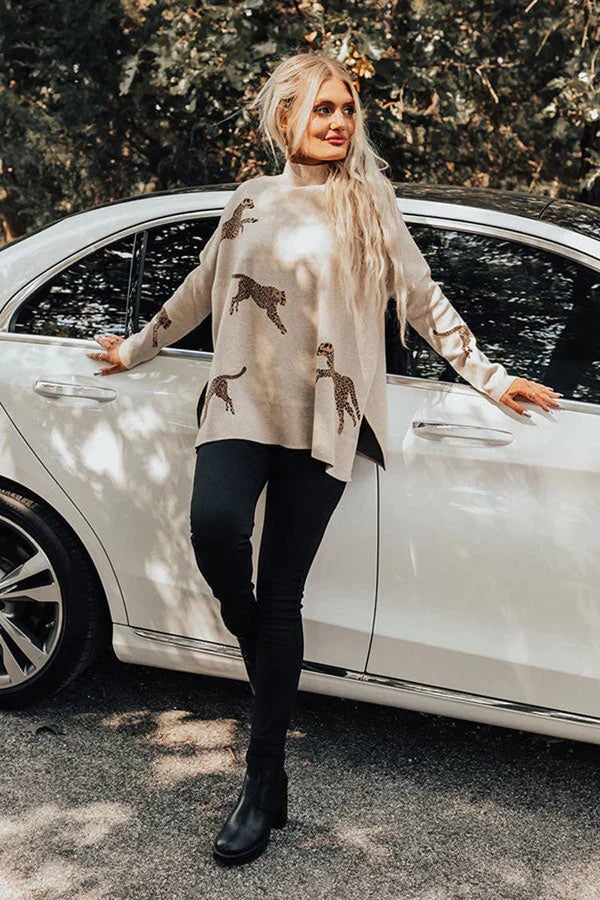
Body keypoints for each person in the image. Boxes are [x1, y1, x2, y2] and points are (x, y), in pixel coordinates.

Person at [87, 52, 561, 866]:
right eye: (323, 109)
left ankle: (261, 778)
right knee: (215, 532)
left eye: (347, 108)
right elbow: (202, 286)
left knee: (282, 596)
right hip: (241, 404)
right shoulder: (250, 198)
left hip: (325, 419)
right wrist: (135, 348)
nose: (340, 122)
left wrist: (489, 375)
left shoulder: (369, 202)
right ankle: (269, 677)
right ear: (285, 120)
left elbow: (422, 297)